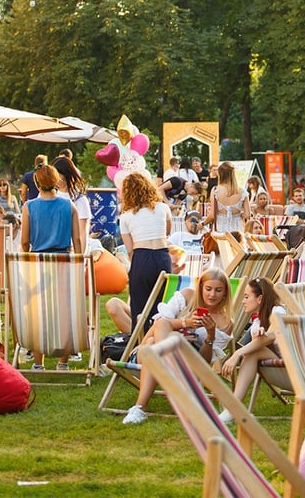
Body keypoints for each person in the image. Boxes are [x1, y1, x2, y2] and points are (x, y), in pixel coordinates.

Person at [122, 268, 233, 425]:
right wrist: (186, 323)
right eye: (208, 289)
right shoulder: (187, 296)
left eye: (218, 290)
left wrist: (210, 334)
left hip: (183, 361)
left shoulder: (225, 322)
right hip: (152, 356)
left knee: (153, 345)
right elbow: (159, 325)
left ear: (225, 293)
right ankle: (174, 386)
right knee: (158, 334)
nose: (212, 294)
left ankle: (139, 408)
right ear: (200, 287)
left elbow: (204, 362)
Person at [217, 277, 286, 422]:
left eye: (247, 297)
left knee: (251, 351)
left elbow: (271, 336)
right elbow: (259, 342)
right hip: (281, 367)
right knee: (252, 352)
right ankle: (232, 409)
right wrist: (258, 337)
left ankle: (232, 409)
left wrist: (237, 353)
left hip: (297, 369)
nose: (243, 301)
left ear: (260, 298)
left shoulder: (279, 311)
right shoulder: (257, 322)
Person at [119, 172, 174, 330]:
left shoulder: (126, 217)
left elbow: (130, 250)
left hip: (141, 256)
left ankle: (140, 344)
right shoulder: (163, 208)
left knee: (140, 307)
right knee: (163, 305)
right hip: (162, 255)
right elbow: (167, 231)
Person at [21, 164, 81, 255]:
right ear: (56, 181)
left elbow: (25, 242)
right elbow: (77, 239)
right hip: (63, 260)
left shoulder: (28, 207)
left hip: (38, 260)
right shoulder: (69, 206)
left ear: (37, 184)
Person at [54, 156, 91, 253]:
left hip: (70, 250)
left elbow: (83, 232)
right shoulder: (49, 195)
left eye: (58, 176)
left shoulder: (79, 200)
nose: (56, 180)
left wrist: (81, 258)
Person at [207, 162, 249, 233]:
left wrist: (202, 224)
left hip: (220, 228)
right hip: (237, 228)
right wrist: (239, 214)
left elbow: (212, 216)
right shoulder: (242, 191)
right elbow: (247, 215)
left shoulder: (215, 190)